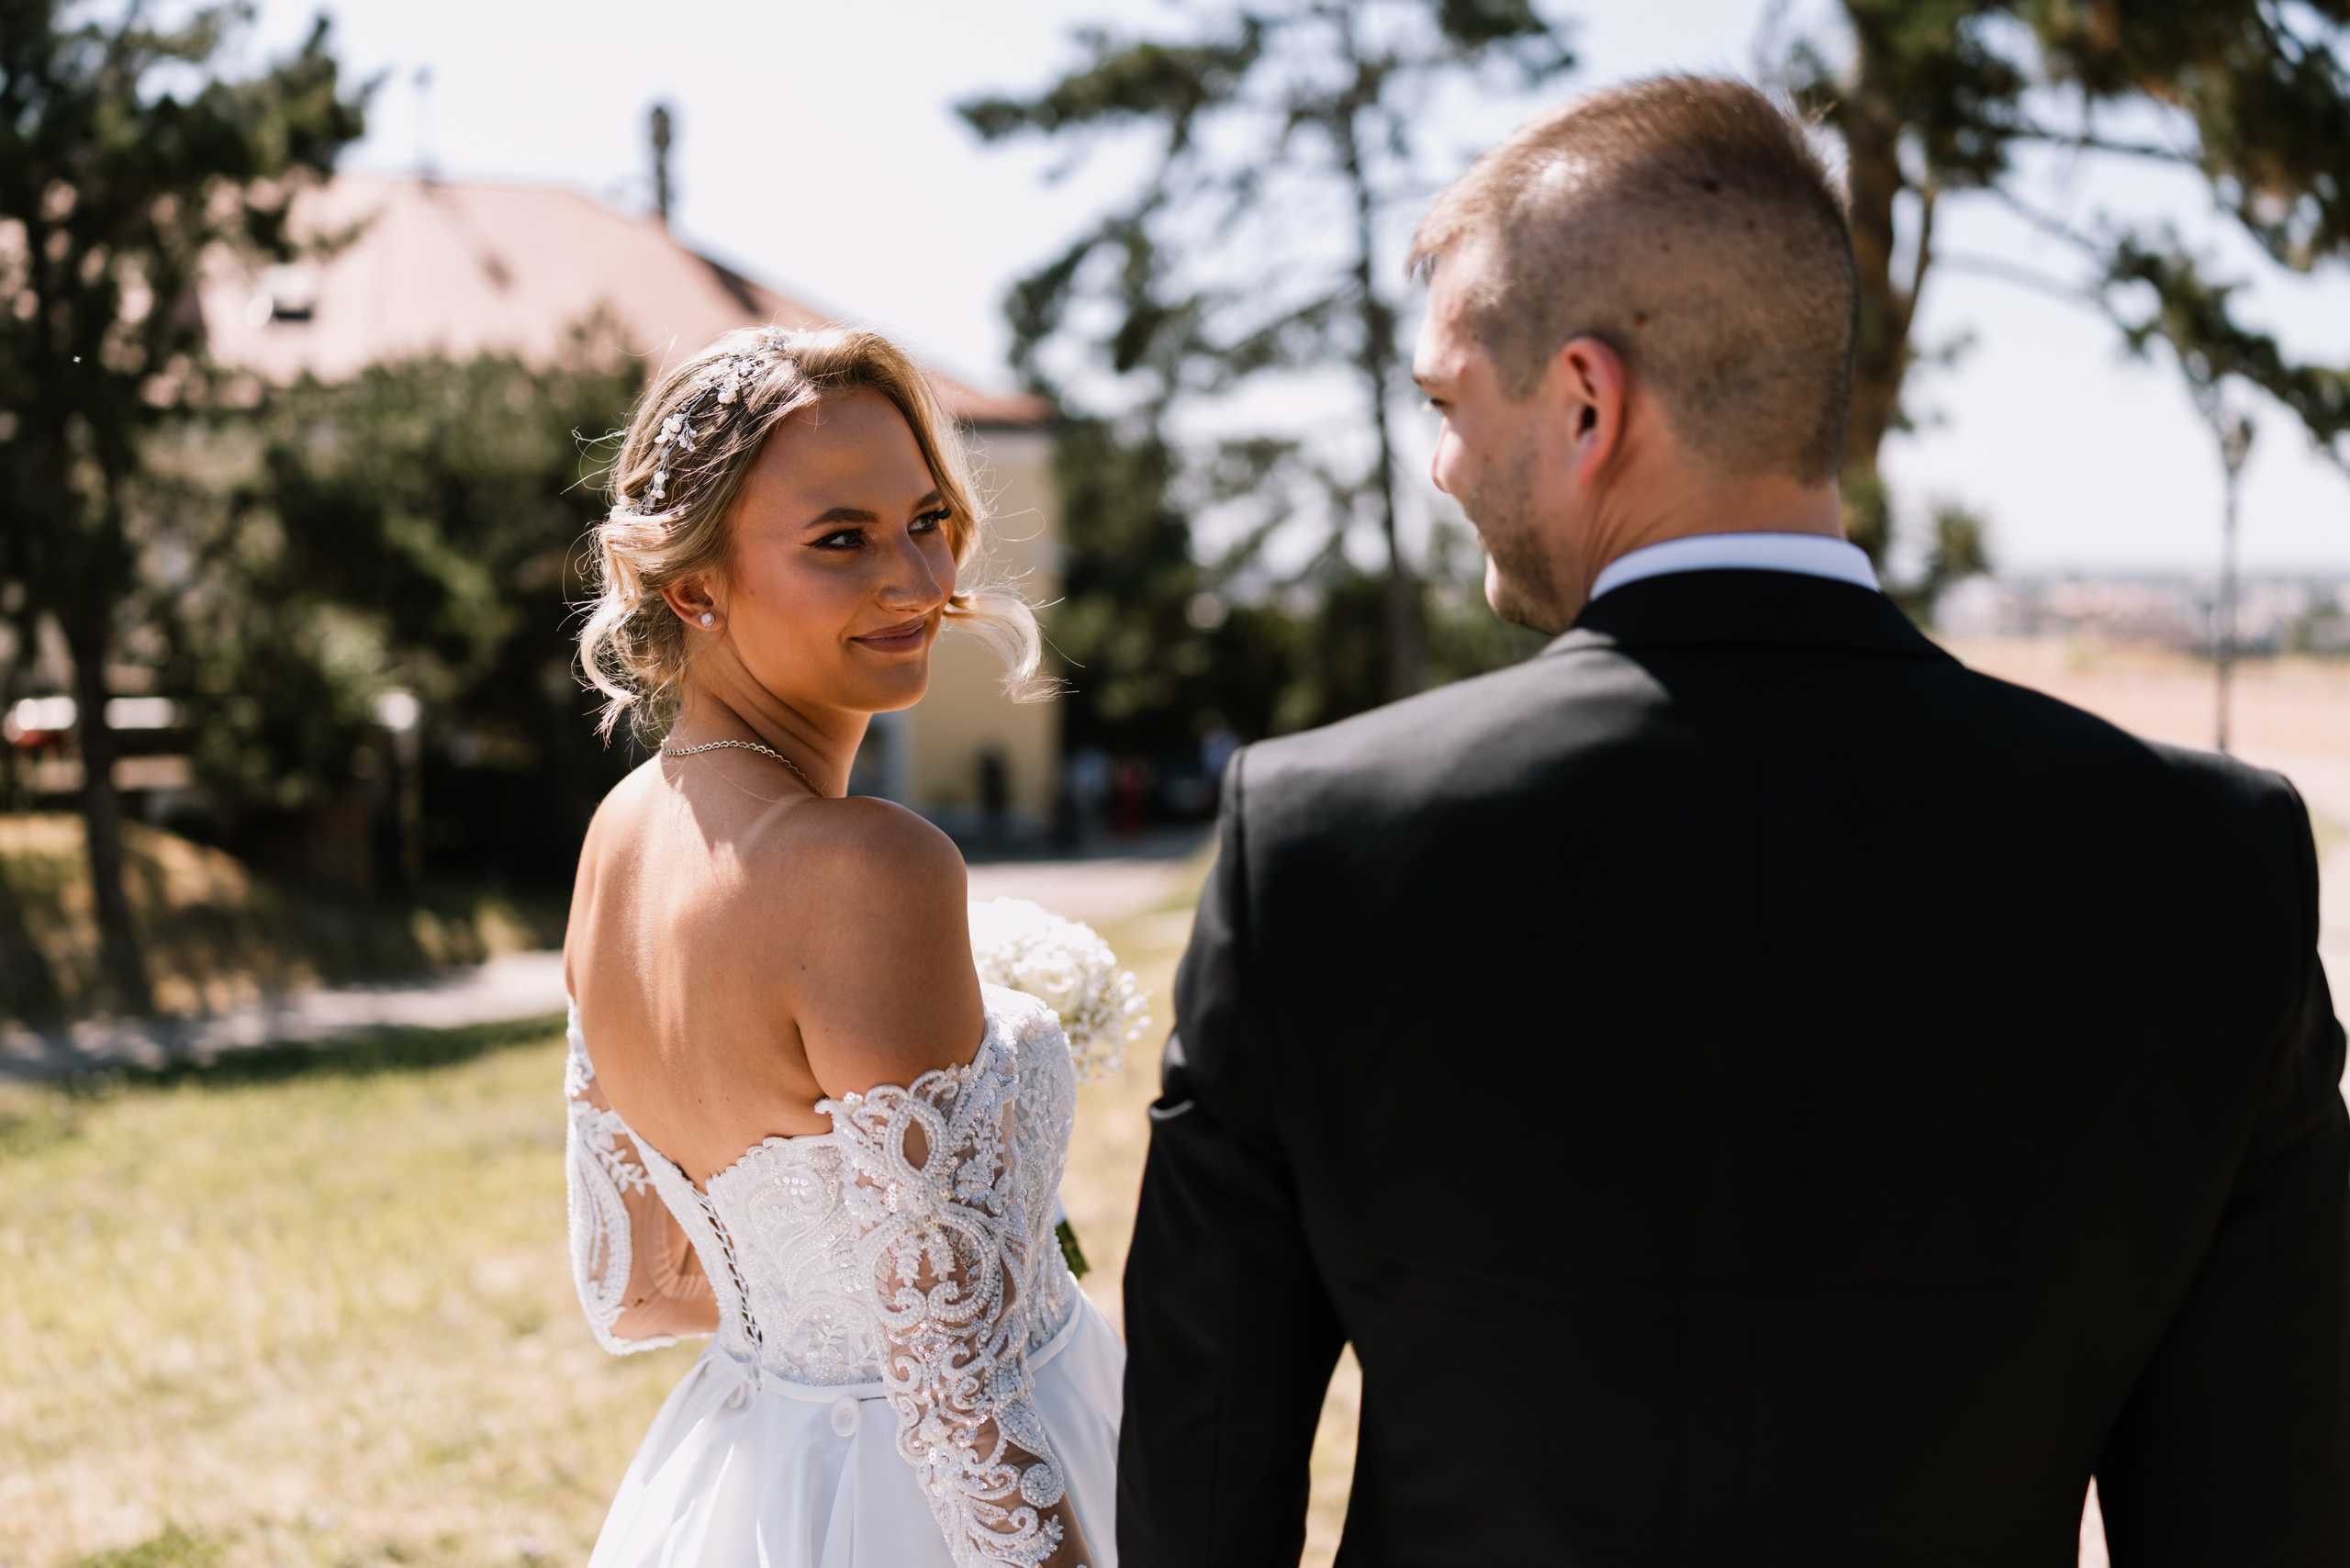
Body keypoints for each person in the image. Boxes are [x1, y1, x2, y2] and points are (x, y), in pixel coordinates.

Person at [1118, 75, 2348, 1565]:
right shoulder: (2208, 864)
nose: (1441, 463)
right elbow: (2272, 1515)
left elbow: (1201, 1488)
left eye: (1448, 404)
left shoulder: (1316, 844)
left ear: (1588, 400)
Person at [562, 325, 1119, 1568]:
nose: (919, 580)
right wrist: (967, 1279)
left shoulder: (618, 839)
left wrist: (831, 1303)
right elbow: (962, 1415)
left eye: (927, 520)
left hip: (738, 1482)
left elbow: (632, 1281)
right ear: (693, 586)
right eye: (842, 540)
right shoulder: (869, 867)